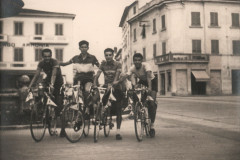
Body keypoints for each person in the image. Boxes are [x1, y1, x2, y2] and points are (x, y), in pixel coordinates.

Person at [28, 48, 65, 137]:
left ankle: (63, 130)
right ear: (42, 57)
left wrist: (52, 85)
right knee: (41, 90)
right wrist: (30, 85)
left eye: (49, 56)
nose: (47, 58)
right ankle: (43, 108)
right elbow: (37, 75)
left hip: (58, 83)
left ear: (51, 56)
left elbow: (54, 74)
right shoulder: (41, 63)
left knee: (59, 106)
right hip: (48, 80)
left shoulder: (55, 62)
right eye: (45, 56)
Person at [118, 53, 157, 136]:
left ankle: (152, 126)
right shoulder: (132, 67)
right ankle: (139, 110)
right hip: (142, 81)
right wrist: (119, 81)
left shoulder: (146, 66)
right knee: (137, 97)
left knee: (152, 104)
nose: (137, 62)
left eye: (139, 60)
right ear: (133, 61)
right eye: (135, 60)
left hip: (152, 81)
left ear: (142, 61)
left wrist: (149, 88)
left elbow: (149, 77)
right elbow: (126, 76)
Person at [60, 40, 99, 114]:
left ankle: (87, 107)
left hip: (88, 79)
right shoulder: (75, 58)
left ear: (88, 48)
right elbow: (66, 63)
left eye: (85, 47)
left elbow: (100, 66)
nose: (84, 48)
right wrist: (58, 63)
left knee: (87, 91)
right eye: (82, 47)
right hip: (78, 79)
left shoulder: (92, 58)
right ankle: (77, 110)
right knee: (76, 93)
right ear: (79, 48)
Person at [93, 48, 124, 140]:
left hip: (116, 87)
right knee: (96, 99)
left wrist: (113, 84)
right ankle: (99, 117)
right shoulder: (103, 64)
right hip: (106, 86)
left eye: (110, 55)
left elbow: (117, 76)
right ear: (104, 56)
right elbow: (97, 75)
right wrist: (95, 84)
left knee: (118, 109)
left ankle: (118, 132)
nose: (108, 57)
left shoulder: (118, 64)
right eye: (106, 55)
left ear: (113, 55)